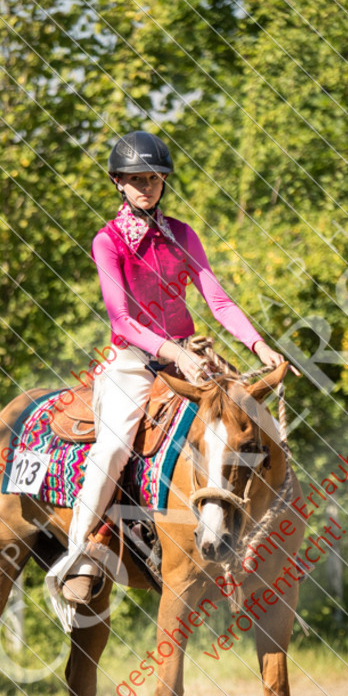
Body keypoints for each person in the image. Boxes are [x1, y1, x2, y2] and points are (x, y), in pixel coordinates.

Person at [59, 130, 285, 604]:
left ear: (164, 182)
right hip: (134, 363)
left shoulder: (182, 234)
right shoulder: (108, 242)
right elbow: (121, 319)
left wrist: (258, 344)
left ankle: (251, 531)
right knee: (114, 448)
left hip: (192, 361)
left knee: (243, 428)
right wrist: (175, 352)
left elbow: (217, 300)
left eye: (155, 178)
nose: (146, 186)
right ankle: (78, 555)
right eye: (136, 179)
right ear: (117, 182)